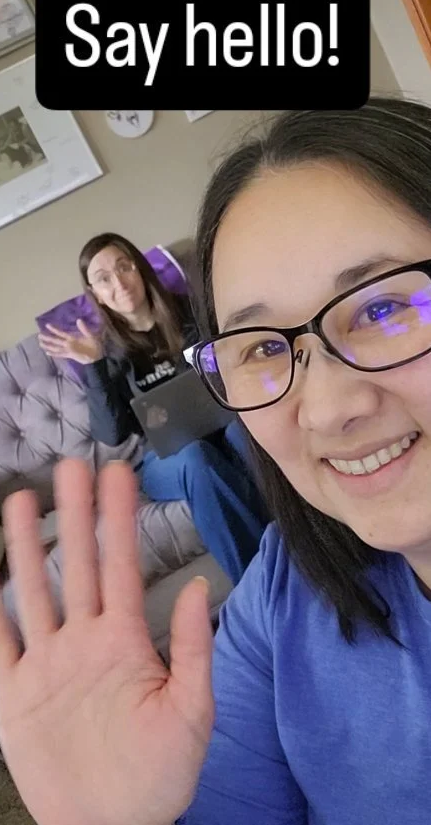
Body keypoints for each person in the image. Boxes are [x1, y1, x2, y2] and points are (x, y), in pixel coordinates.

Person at [0, 97, 431, 825]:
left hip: (216, 432)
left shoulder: (181, 314)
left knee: (235, 435)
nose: (326, 409)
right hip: (163, 456)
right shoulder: (287, 587)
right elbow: (115, 433)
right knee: (207, 459)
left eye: (381, 306)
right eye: (263, 347)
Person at [38, 233, 268, 586]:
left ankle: (298, 550)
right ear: (96, 294)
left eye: (124, 267)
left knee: (243, 436)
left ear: (140, 268)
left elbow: (233, 366)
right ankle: (257, 583)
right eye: (104, 279)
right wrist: (95, 366)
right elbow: (111, 434)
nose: (119, 283)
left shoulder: (190, 311)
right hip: (165, 460)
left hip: (224, 429)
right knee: (196, 457)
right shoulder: (105, 351)